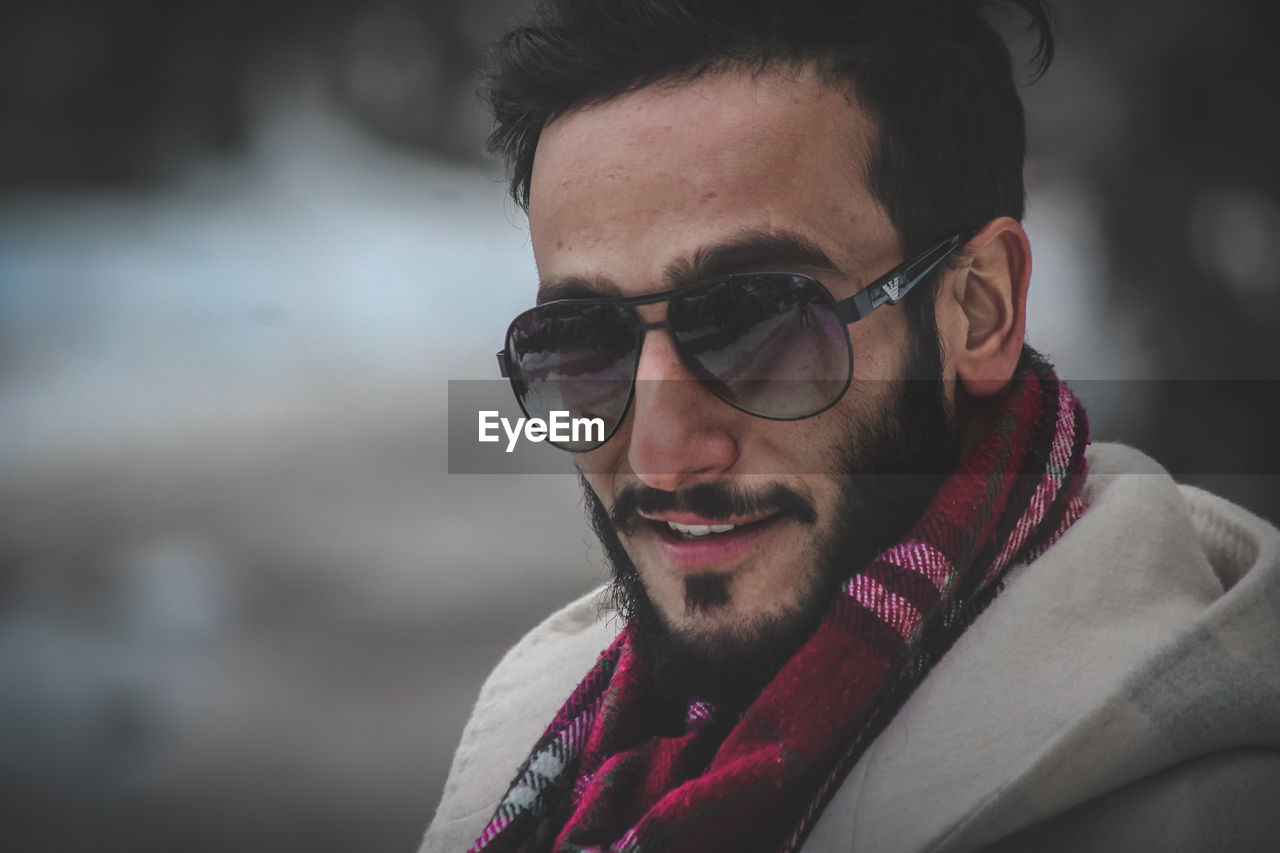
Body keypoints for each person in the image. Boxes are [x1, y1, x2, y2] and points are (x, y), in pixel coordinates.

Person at [423, 1, 1280, 849]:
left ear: (979, 309)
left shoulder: (1207, 814)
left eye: (758, 318)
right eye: (583, 339)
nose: (660, 451)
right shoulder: (551, 757)